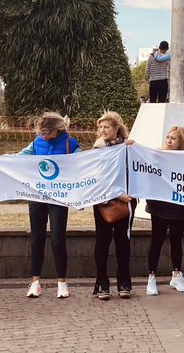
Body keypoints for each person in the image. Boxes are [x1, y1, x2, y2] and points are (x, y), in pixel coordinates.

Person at [26, 112, 80, 299]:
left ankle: (62, 282)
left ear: (56, 131)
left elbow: (84, 165)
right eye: (40, 132)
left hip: (58, 199)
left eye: (45, 132)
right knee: (36, 239)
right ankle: (35, 282)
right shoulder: (36, 143)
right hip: (37, 196)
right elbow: (18, 158)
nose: (42, 135)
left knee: (58, 240)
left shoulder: (70, 144)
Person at [145, 127, 184, 295]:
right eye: (167, 137)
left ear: (181, 142)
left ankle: (176, 274)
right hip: (159, 205)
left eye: (173, 138)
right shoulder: (158, 155)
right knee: (156, 241)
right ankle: (151, 277)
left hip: (177, 205)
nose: (169, 140)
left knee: (176, 240)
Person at [92, 112, 134, 301]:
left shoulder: (127, 147)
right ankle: (102, 283)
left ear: (116, 128)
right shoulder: (98, 149)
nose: (103, 130)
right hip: (104, 202)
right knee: (102, 242)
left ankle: (124, 282)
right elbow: (99, 177)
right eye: (100, 127)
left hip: (126, 202)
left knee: (123, 242)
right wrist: (118, 195)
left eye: (106, 127)